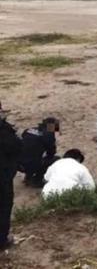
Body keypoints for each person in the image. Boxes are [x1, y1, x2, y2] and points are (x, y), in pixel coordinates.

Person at [0, 104, 22, 250]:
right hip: (3, 176)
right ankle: (2, 240)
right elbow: (15, 147)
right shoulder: (4, 130)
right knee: (4, 207)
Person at [19, 117, 60, 188]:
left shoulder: (28, 130)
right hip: (30, 164)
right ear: (51, 127)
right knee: (55, 160)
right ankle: (37, 180)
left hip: (18, 163)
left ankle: (28, 177)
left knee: (32, 154)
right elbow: (51, 152)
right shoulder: (48, 135)